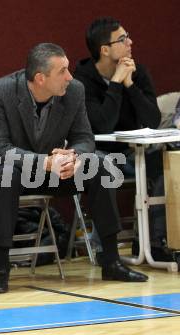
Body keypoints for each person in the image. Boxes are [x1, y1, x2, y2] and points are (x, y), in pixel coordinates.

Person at [0, 43, 148, 294]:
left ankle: (111, 260)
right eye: (62, 71)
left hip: (50, 170)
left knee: (99, 165)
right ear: (40, 78)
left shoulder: (74, 91)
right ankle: (1, 268)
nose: (70, 76)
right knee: (7, 175)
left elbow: (85, 138)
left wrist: (75, 157)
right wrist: (45, 162)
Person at [74, 17, 165, 255]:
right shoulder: (81, 80)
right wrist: (116, 83)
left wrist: (130, 85)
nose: (130, 43)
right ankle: (107, 247)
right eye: (123, 39)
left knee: (168, 161)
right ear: (105, 50)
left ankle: (153, 242)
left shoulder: (136, 71)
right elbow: (102, 126)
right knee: (102, 164)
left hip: (133, 153)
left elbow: (153, 120)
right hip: (98, 155)